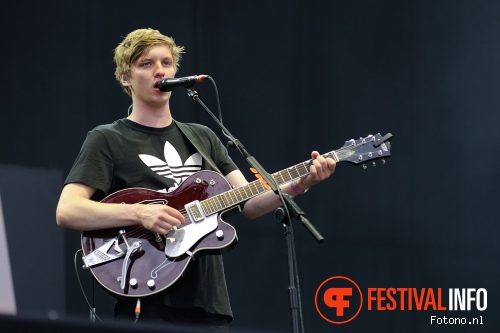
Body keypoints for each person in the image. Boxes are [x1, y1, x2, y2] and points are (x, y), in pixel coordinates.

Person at [56, 28, 336, 331]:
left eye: (166, 62)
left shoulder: (202, 137)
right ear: (125, 77)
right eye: (146, 64)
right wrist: (141, 212)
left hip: (207, 303)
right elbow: (68, 210)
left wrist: (301, 182)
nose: (159, 70)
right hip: (146, 298)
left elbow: (250, 202)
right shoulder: (108, 138)